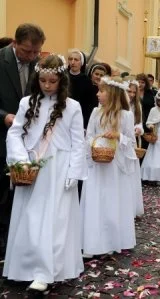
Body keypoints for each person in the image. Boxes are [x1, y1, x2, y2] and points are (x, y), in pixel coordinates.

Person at [3, 54, 86, 291]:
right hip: (32, 166)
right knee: (29, 217)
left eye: (52, 81)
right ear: (37, 79)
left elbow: (78, 141)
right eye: (43, 81)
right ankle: (24, 266)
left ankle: (47, 270)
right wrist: (20, 161)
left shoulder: (72, 107)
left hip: (59, 168)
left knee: (55, 220)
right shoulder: (26, 102)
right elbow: (15, 133)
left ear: (61, 81)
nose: (47, 86)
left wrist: (74, 171)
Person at [0, 23, 45, 260]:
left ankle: (12, 243)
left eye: (36, 52)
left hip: (24, 142)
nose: (32, 56)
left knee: (18, 194)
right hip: (0, 136)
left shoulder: (37, 65)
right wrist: (3, 116)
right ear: (14, 43)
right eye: (27, 51)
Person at [80, 76, 137, 258]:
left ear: (112, 94)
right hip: (97, 163)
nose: (98, 94)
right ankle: (92, 242)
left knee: (111, 201)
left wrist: (118, 136)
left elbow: (131, 141)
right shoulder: (96, 113)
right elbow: (89, 135)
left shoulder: (126, 116)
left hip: (114, 165)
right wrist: (93, 145)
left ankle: (111, 241)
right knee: (95, 200)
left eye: (101, 91)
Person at [124, 76, 144, 217]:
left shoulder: (137, 106)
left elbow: (140, 123)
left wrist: (138, 129)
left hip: (132, 142)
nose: (131, 94)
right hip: (120, 141)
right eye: (129, 91)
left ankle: (131, 206)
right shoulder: (121, 105)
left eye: (133, 92)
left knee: (132, 172)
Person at [67, 49, 95, 129]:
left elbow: (89, 105)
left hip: (79, 117)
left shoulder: (86, 81)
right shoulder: (63, 76)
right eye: (70, 59)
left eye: (76, 60)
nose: (73, 62)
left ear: (81, 62)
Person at [137, 73, 156, 150]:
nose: (140, 84)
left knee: (146, 145)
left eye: (142, 82)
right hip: (136, 121)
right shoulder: (133, 92)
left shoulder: (151, 93)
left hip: (148, 122)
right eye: (139, 82)